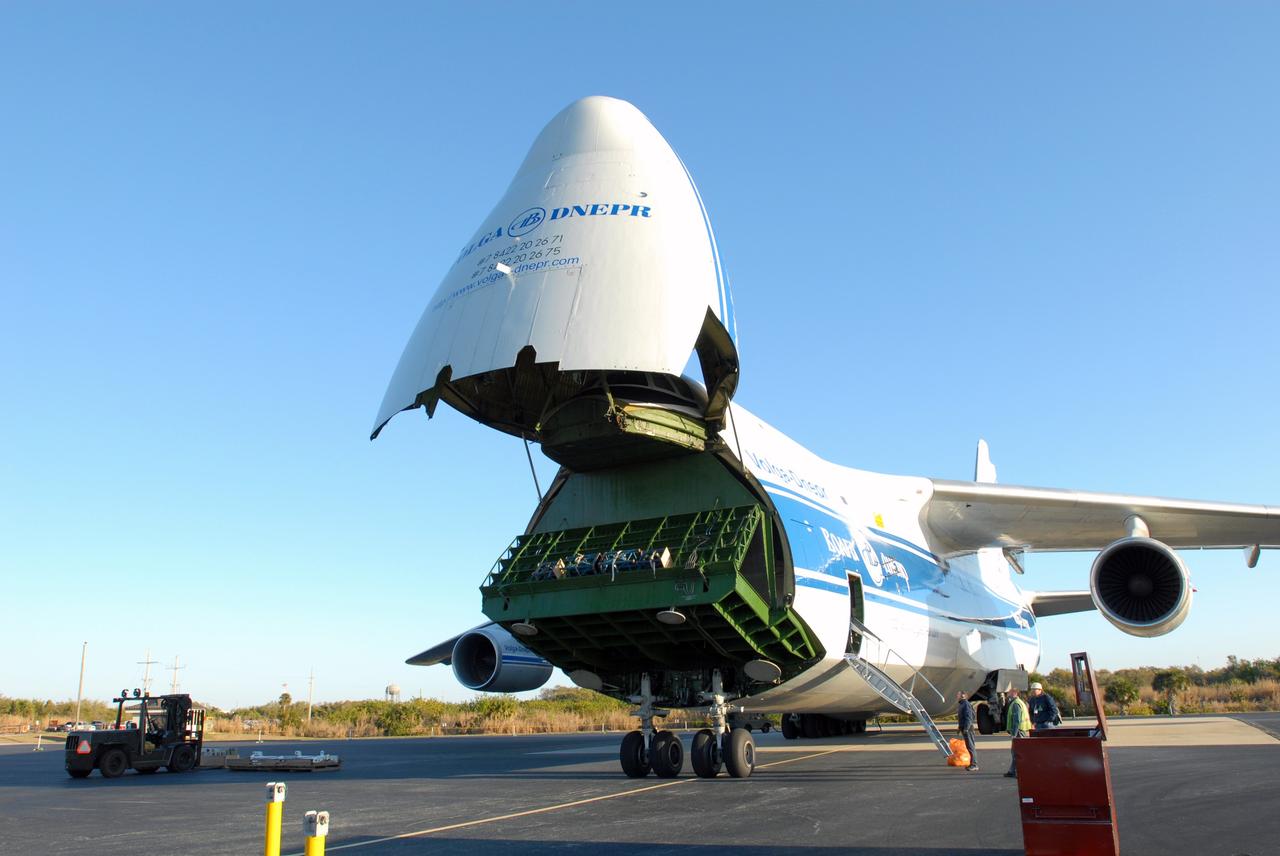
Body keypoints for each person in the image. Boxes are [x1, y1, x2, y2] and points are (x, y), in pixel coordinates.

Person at [1003, 687, 1030, 778]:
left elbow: (1016, 720)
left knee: (1017, 752)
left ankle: (1019, 771)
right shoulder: (1019, 702)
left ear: (1014, 693)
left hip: (1018, 731)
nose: (1007, 694)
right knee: (1015, 752)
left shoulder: (1016, 704)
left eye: (1009, 692)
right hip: (1020, 730)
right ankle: (1013, 770)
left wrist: (1014, 734)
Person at [956, 691, 979, 771]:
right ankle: (972, 763)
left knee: (971, 747)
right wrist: (959, 728)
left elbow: (968, 717)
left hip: (968, 729)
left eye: (958, 694)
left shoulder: (965, 704)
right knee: (969, 747)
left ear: (963, 695)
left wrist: (966, 728)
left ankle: (974, 764)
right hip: (965, 728)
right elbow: (962, 717)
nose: (957, 696)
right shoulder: (962, 704)